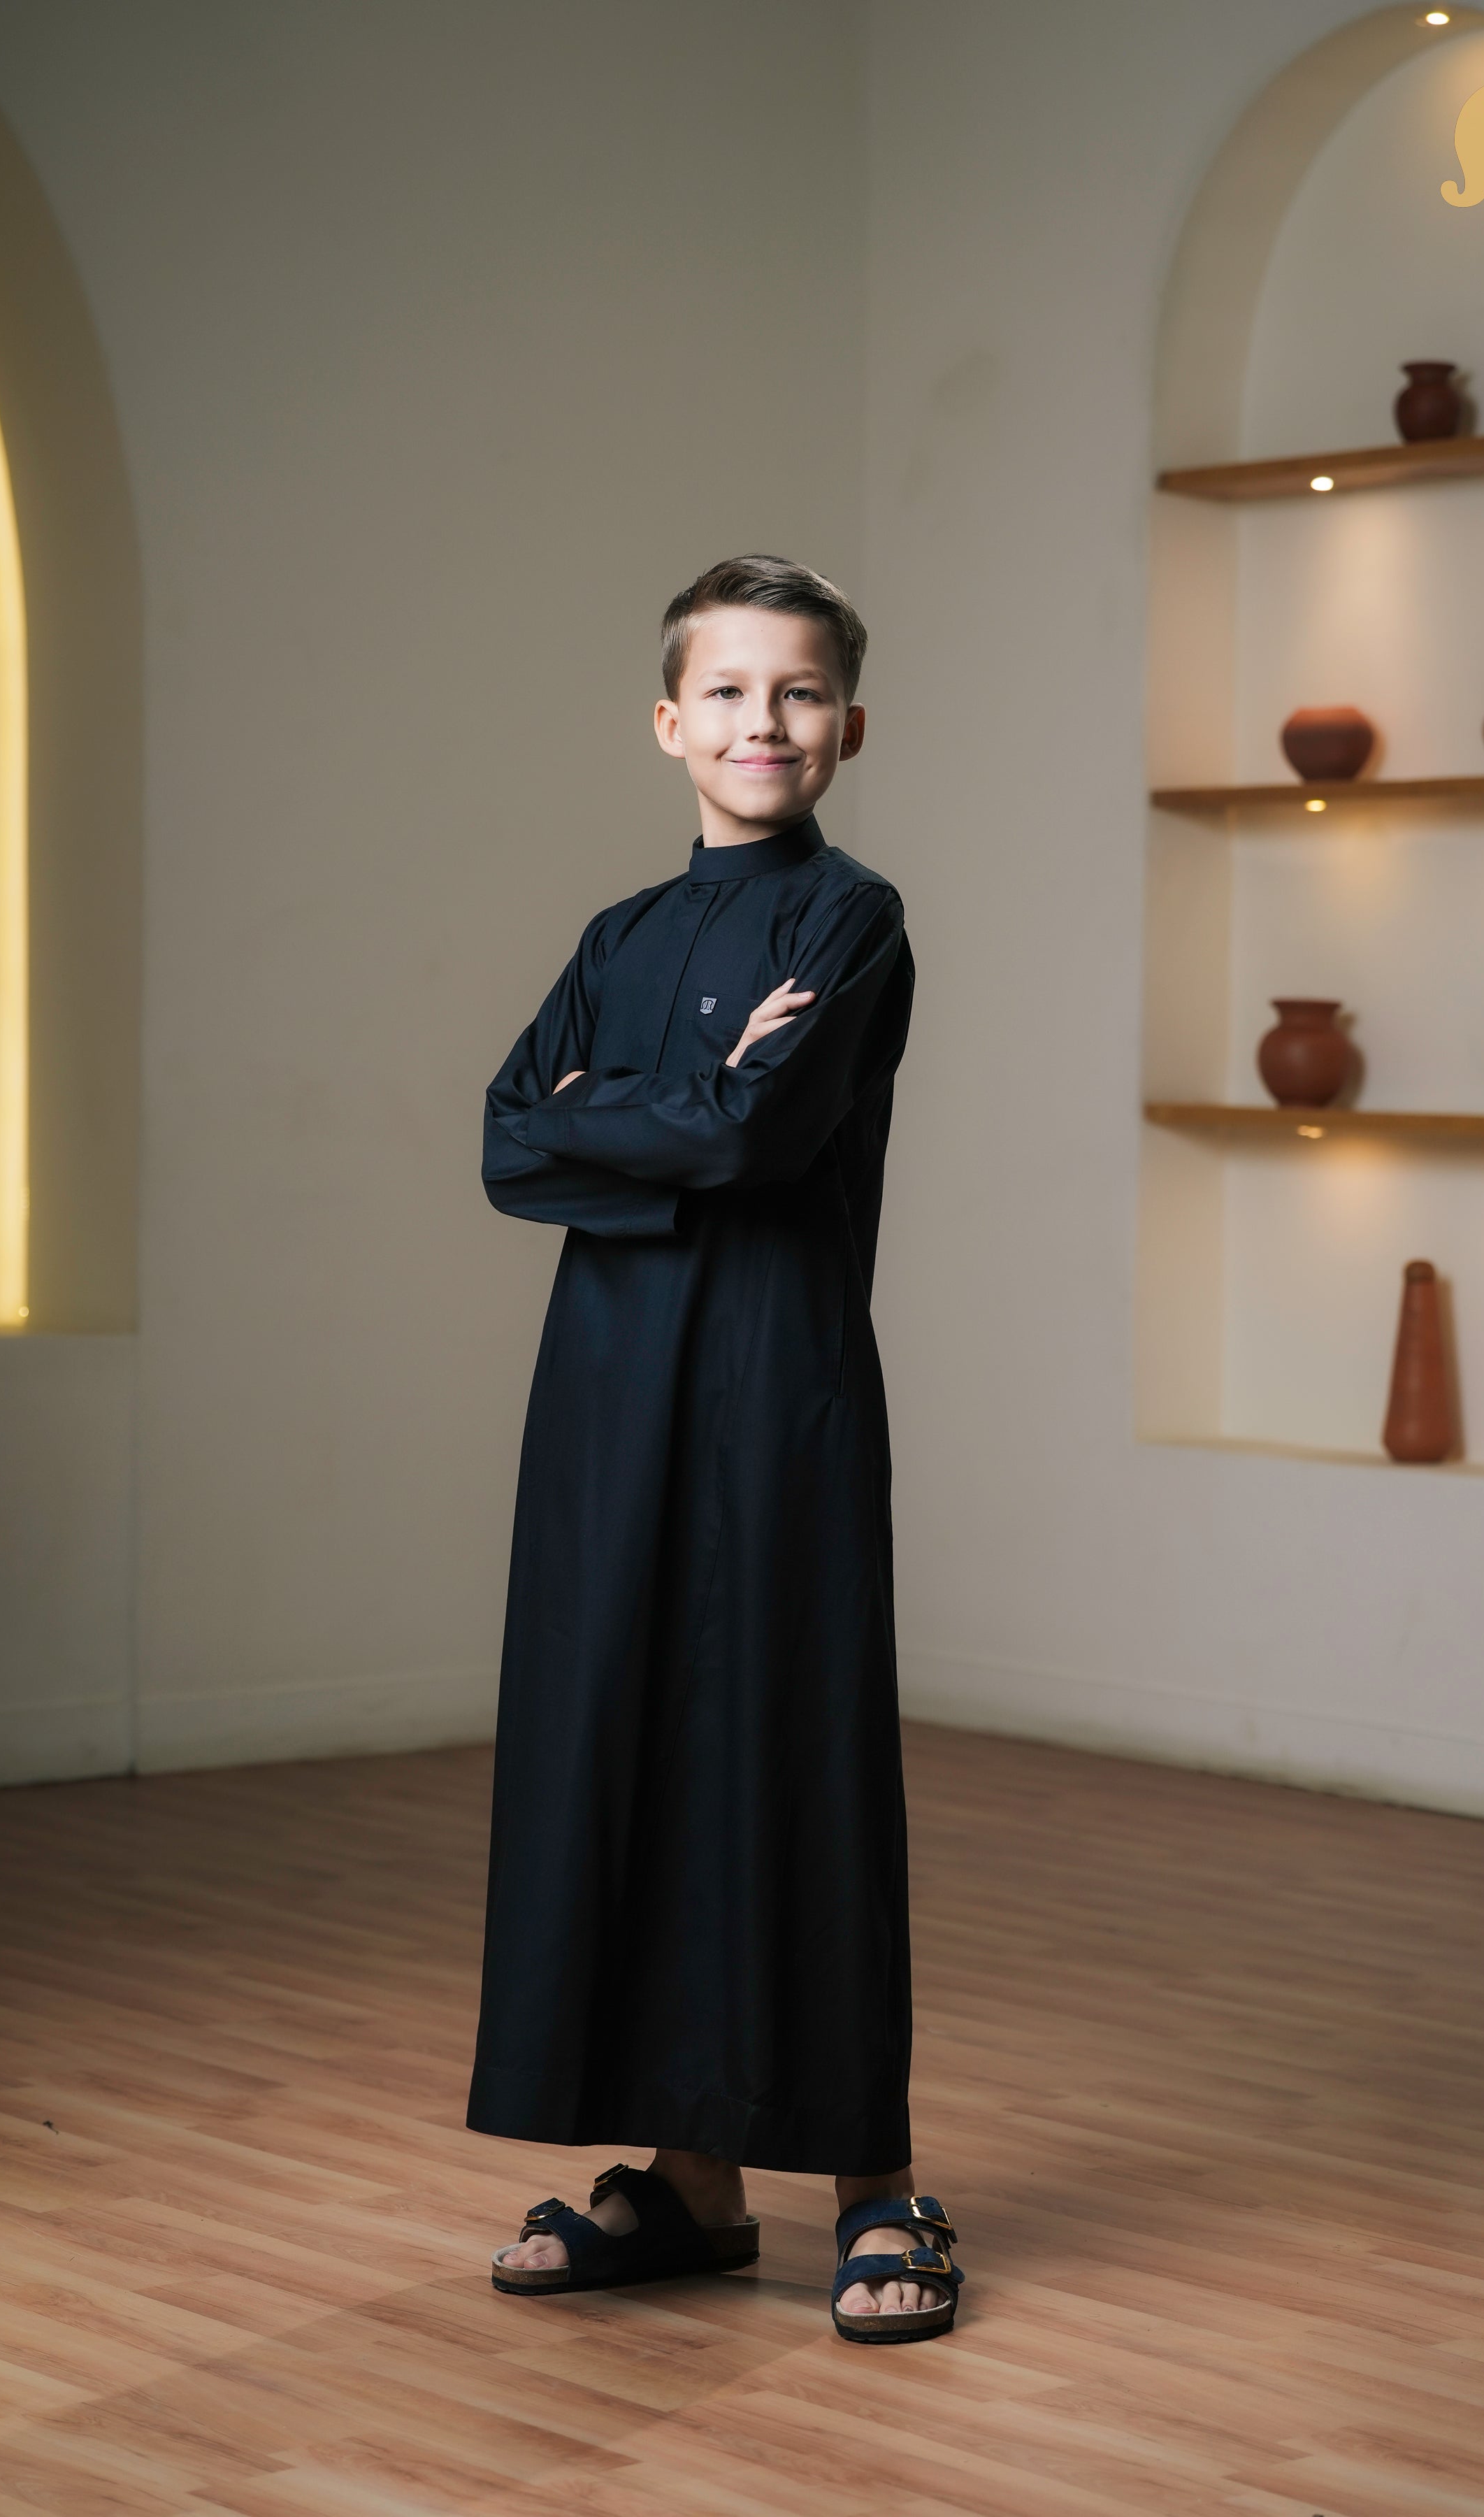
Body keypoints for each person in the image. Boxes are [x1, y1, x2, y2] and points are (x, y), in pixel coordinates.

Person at [468, 554, 963, 2342]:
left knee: (790, 1756)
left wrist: (615, 1113)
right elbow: (506, 1143)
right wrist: (669, 1105)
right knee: (628, 1747)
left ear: (849, 728)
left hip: (779, 1390)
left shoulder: (854, 922)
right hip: (606, 1399)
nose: (767, 722)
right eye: (732, 692)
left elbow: (761, 1138)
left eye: (801, 692)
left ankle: (875, 2184)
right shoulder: (619, 938)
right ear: (671, 723)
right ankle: (692, 2183)